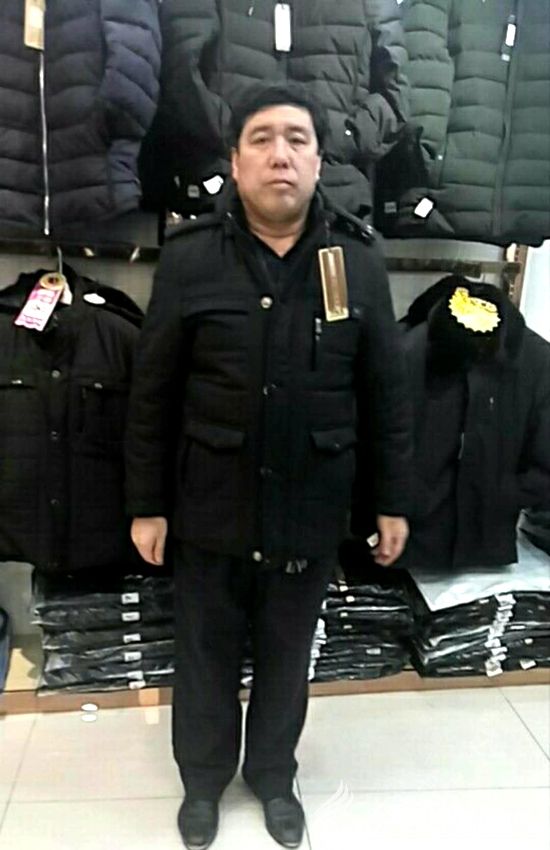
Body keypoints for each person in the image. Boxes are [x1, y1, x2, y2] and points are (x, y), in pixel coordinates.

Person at [125, 82, 411, 850]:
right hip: (208, 506)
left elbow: (385, 395)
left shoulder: (357, 259)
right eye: (262, 138)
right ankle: (203, 783)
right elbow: (152, 394)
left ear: (318, 161)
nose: (280, 154)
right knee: (205, 658)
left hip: (311, 507)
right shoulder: (190, 258)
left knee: (288, 658)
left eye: (296, 139)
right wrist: (147, 504)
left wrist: (391, 501)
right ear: (236, 160)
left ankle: (274, 778)